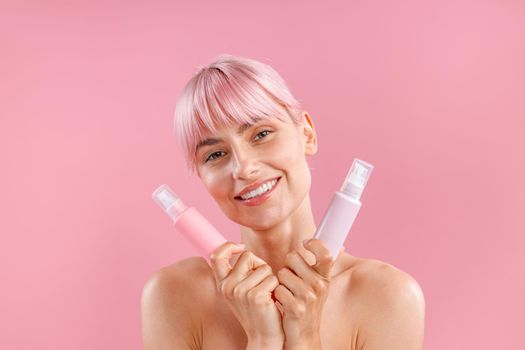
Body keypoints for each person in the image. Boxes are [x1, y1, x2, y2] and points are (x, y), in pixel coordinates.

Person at [141, 54, 425, 349]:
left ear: (307, 133)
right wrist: (263, 340)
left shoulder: (388, 297)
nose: (243, 168)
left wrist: (304, 338)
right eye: (215, 155)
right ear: (201, 177)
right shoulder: (172, 295)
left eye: (261, 134)